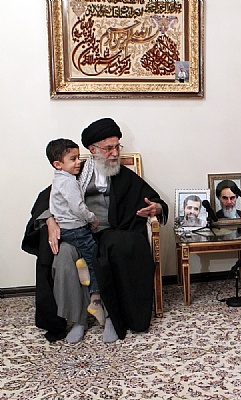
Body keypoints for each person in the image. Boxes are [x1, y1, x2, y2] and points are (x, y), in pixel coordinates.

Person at [22, 117, 168, 344]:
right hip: (78, 231)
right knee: (62, 255)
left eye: (117, 147)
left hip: (110, 231)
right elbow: (48, 199)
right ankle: (78, 320)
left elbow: (152, 198)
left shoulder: (124, 175)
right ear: (92, 150)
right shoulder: (75, 172)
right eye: (108, 148)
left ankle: (112, 317)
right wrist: (50, 221)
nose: (115, 153)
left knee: (119, 247)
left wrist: (156, 207)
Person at [46, 138, 105, 327]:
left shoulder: (58, 179)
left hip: (66, 230)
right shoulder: (69, 182)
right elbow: (78, 207)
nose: (79, 162)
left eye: (79, 157)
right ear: (58, 164)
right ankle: (95, 299)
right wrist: (92, 218)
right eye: (73, 159)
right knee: (95, 258)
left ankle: (82, 268)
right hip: (77, 229)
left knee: (88, 254)